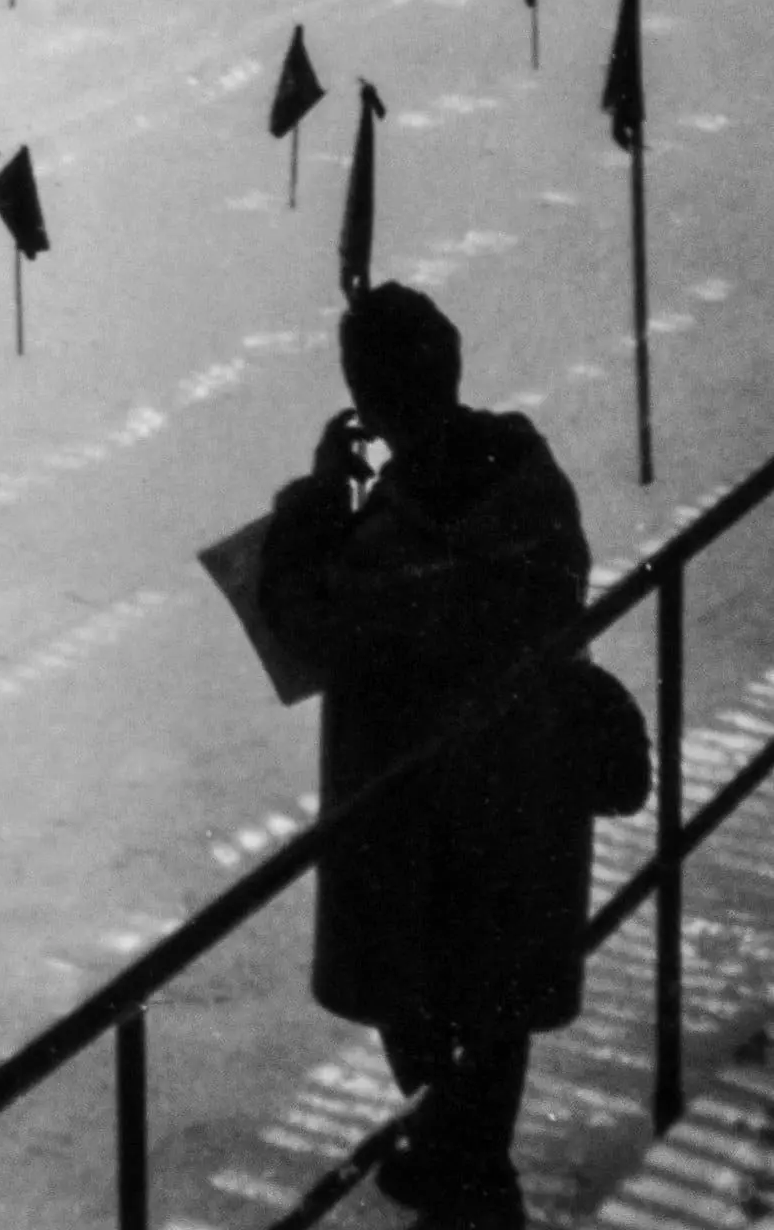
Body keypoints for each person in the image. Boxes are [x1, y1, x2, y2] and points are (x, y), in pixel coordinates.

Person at [257, 286, 593, 1230]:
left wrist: (321, 500)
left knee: (423, 994)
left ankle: (468, 1171)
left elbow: (307, 621)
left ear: (366, 396)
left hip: (418, 812)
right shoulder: (528, 471)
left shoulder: (395, 538)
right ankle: (462, 1150)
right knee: (495, 992)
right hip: (525, 789)